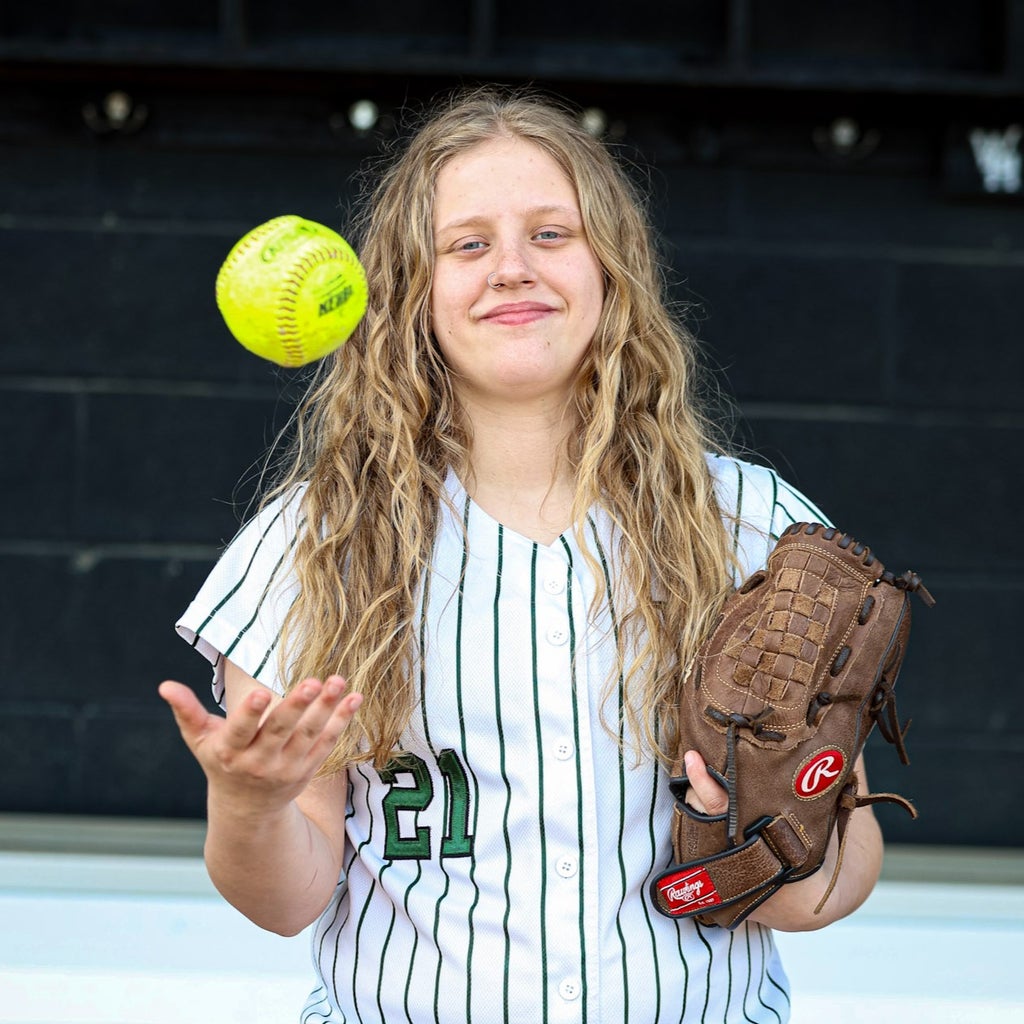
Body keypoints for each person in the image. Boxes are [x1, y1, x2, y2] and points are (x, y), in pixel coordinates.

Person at [159, 85, 883, 1023]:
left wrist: (764, 845)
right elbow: (286, 899)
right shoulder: (319, 539)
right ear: (410, 296)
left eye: (551, 234)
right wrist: (249, 805)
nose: (510, 268)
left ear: (612, 272)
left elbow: (835, 882)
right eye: (467, 244)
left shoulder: (752, 524)